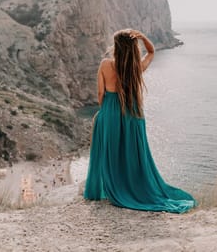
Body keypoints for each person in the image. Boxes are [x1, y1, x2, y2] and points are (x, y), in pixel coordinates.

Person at [83, 29, 196, 213]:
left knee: (111, 152)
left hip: (110, 112)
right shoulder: (136, 68)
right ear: (133, 48)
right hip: (132, 113)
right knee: (132, 153)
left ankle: (113, 188)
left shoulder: (105, 64)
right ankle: (133, 187)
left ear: (117, 47)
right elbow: (151, 52)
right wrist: (143, 37)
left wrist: (104, 112)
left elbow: (100, 93)